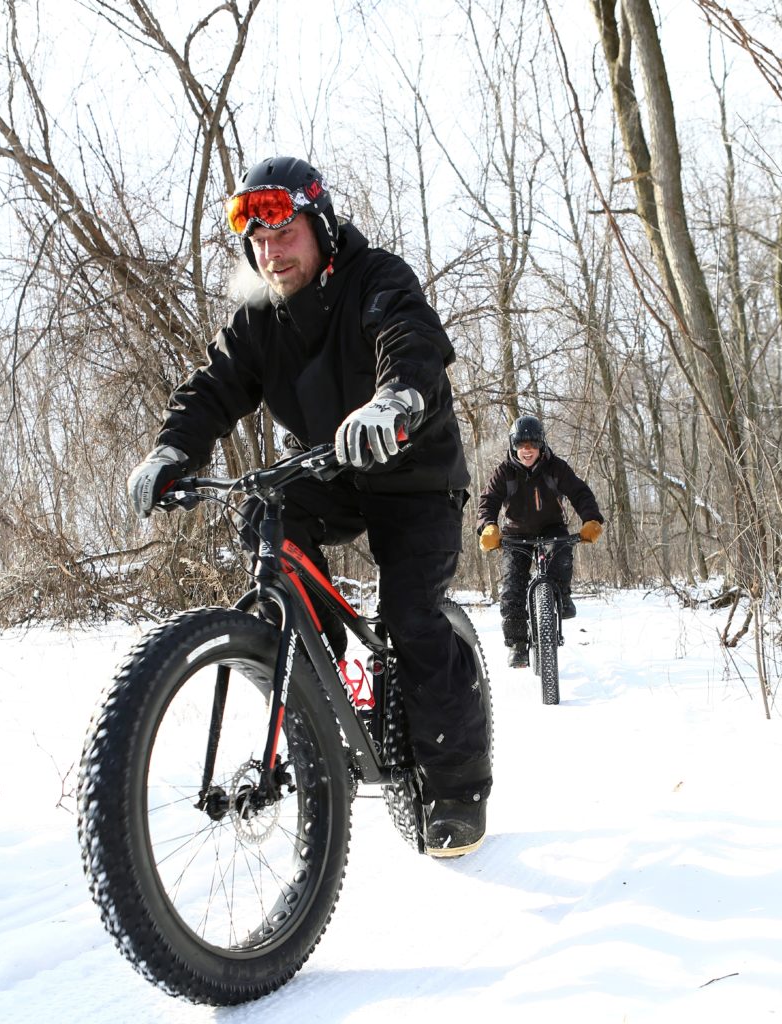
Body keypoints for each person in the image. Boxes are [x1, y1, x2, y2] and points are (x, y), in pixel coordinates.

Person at [127, 156, 491, 857]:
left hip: (413, 475)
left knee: (412, 618)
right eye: (258, 242)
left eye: (284, 233)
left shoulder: (376, 279)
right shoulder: (261, 317)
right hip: (331, 470)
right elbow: (214, 387)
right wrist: (174, 449)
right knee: (268, 519)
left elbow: (409, 342)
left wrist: (396, 400)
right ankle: (315, 703)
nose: (270, 252)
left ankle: (456, 785)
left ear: (319, 226)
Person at [477, 415, 603, 668]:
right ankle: (518, 644)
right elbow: (488, 501)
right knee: (513, 587)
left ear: (541, 445)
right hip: (516, 532)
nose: (527, 451)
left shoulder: (556, 467)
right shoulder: (504, 472)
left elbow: (579, 492)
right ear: (514, 446)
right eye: (522, 445)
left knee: (562, 553)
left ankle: (562, 596)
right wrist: (488, 526)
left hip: (551, 528)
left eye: (532, 445)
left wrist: (591, 519)